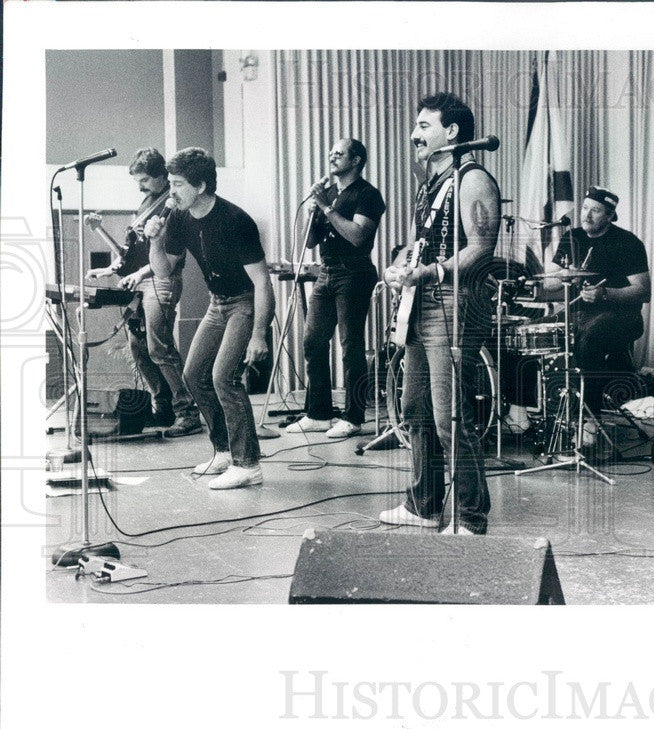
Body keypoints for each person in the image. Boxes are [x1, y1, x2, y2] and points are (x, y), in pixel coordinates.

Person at [379, 92, 501, 535]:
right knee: (414, 408)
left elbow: (482, 248)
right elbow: (416, 243)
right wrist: (400, 267)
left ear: (451, 133)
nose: (415, 133)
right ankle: (423, 505)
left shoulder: (473, 179)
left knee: (451, 415)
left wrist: (432, 270)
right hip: (422, 302)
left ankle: (471, 516)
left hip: (455, 304)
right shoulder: (428, 184)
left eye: (424, 126)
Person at [145, 147, 275, 490]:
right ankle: (223, 451)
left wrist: (259, 334)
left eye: (177, 184)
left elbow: (262, 281)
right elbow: (163, 269)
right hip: (217, 303)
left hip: (244, 302)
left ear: (200, 185)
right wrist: (155, 242)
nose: (170, 191)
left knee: (224, 377)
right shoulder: (179, 218)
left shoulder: (235, 220)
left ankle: (248, 464)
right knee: (193, 374)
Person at [85, 148, 202, 437]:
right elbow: (129, 253)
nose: (140, 186)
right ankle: (162, 409)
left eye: (145, 180)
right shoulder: (147, 202)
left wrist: (139, 273)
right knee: (140, 349)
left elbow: (169, 258)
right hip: (140, 280)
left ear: (163, 176)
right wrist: (107, 262)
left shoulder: (173, 206)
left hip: (161, 280)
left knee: (159, 347)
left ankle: (187, 413)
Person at [285, 138, 386, 438]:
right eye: (330, 152)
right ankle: (318, 413)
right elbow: (311, 242)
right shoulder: (328, 193)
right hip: (326, 272)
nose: (332, 156)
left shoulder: (368, 195)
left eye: (339, 153)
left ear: (356, 160)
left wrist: (327, 208)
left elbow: (357, 235)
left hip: (354, 273)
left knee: (350, 345)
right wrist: (312, 212)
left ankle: (353, 417)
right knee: (312, 341)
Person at [542, 186, 651, 445]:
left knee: (587, 338)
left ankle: (588, 420)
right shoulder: (572, 237)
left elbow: (643, 292)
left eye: (595, 210)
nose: (586, 215)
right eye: (584, 208)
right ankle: (525, 414)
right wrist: (566, 274)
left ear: (610, 215)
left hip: (621, 316)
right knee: (532, 331)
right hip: (579, 311)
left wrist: (605, 294)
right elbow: (548, 285)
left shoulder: (628, 242)